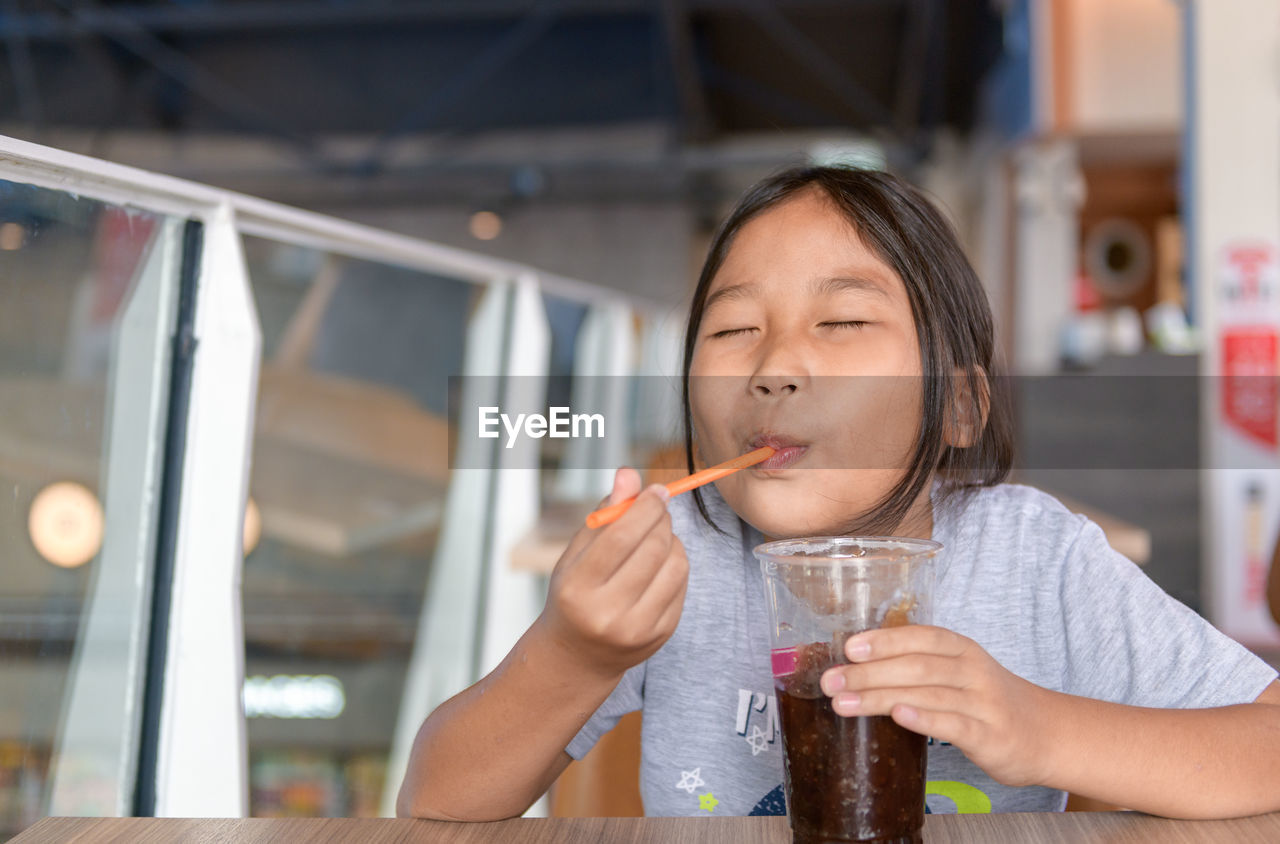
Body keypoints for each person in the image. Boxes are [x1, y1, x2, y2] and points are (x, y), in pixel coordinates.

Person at [397, 166, 1280, 820]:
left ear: (961, 405)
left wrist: (1039, 728)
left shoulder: (1036, 560)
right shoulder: (684, 560)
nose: (776, 366)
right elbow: (434, 807)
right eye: (735, 329)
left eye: (844, 322)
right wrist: (573, 654)